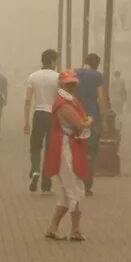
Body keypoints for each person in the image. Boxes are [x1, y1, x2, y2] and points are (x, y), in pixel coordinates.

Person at [43, 69, 94, 240]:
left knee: (66, 193)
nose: (72, 87)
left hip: (68, 145)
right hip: (66, 147)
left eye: (73, 83)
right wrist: (90, 121)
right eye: (69, 84)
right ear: (62, 84)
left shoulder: (67, 101)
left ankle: (52, 228)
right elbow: (81, 125)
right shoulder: (64, 105)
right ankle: (76, 230)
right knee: (75, 189)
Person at [22, 49, 61, 192]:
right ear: (51, 61)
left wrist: (26, 122)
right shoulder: (58, 78)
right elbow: (61, 99)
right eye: (56, 60)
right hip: (53, 116)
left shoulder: (33, 77)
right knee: (50, 150)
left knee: (35, 147)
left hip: (38, 113)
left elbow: (27, 101)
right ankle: (46, 182)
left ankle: (36, 169)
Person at [74, 53, 106, 193]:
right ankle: (87, 184)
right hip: (93, 117)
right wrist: (103, 117)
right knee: (91, 152)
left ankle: (75, 181)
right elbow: (101, 97)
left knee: (76, 148)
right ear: (97, 64)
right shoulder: (97, 76)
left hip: (76, 116)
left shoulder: (74, 73)